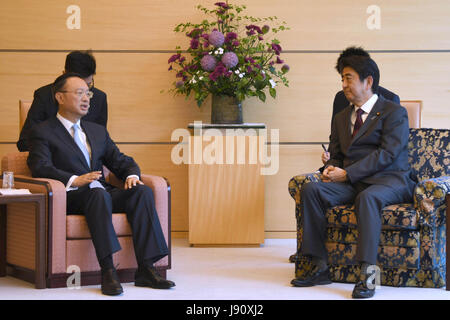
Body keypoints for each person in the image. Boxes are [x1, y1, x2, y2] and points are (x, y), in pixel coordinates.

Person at [27, 73, 175, 296]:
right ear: (59, 97)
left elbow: (120, 160)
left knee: (140, 191)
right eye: (79, 93)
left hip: (101, 193)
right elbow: (40, 166)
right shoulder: (43, 131)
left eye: (88, 93)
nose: (86, 98)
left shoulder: (96, 131)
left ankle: (146, 268)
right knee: (98, 195)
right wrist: (74, 180)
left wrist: (131, 175)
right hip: (71, 196)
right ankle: (108, 271)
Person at [290, 55, 415, 299]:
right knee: (311, 190)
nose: (344, 85)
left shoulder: (394, 112)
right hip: (353, 181)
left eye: (349, 78)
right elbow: (337, 154)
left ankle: (369, 274)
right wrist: (331, 168)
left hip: (389, 180)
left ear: (368, 81)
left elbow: (388, 153)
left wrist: (348, 173)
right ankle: (319, 265)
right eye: (342, 79)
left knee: (368, 198)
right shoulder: (341, 117)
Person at [17, 50, 108, 152]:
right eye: (78, 91)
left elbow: (102, 143)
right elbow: (25, 142)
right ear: (64, 75)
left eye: (88, 85)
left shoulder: (99, 98)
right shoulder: (44, 96)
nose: (85, 97)